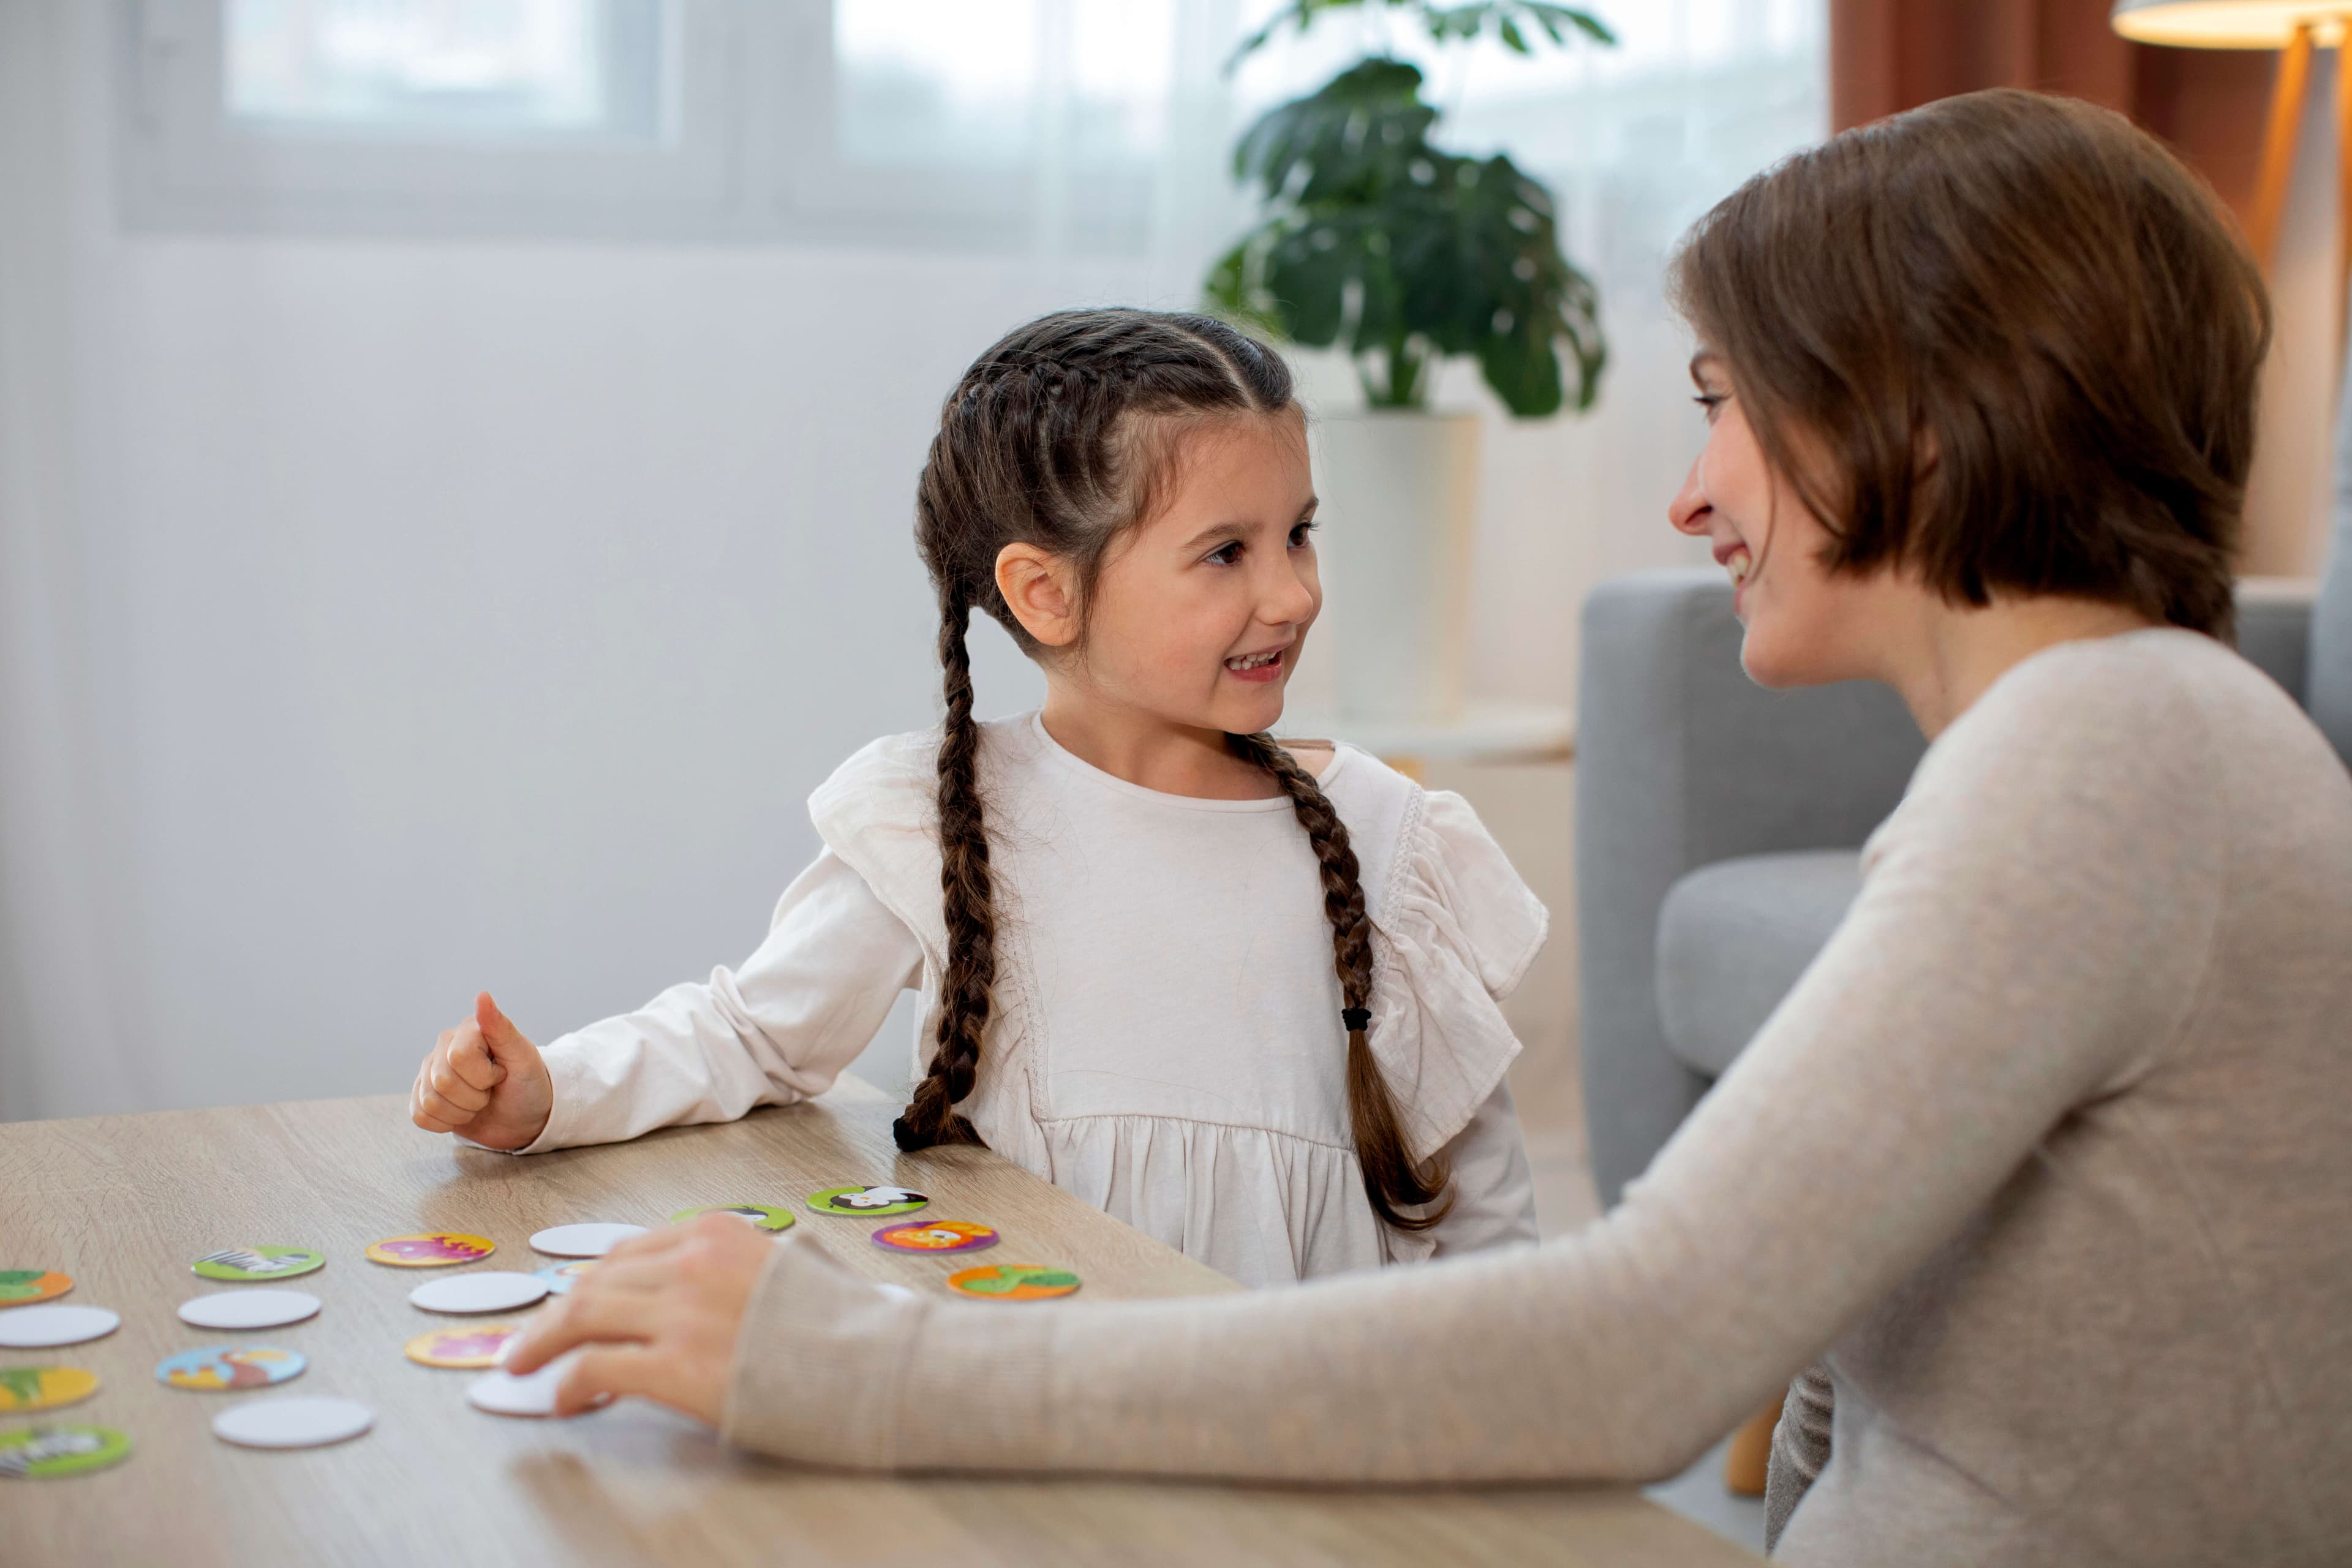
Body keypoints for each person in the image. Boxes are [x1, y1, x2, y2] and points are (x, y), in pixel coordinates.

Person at [503, 91, 2352, 1568]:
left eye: (1723, 404)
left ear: (1922, 432)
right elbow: (1831, 1362)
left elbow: (1639, 1350)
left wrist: (873, 1367)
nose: (1690, 489)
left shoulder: (2109, 764)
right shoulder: (2112, 748)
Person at [405, 308, 1546, 1289]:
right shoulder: (944, 822)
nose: (1292, 592)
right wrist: (551, 1094)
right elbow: (752, 1036)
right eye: (1225, 553)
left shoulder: (1396, 843)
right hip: (1022, 1393)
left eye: (1298, 535)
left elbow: (1482, 1208)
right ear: (1044, 592)